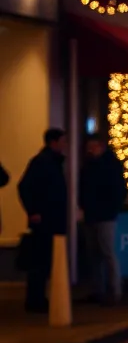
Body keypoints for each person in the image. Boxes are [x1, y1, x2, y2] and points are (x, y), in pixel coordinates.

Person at [17, 129, 69, 314]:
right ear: (52, 143)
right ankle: (35, 300)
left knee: (45, 261)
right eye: (62, 141)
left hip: (50, 218)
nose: (65, 145)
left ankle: (39, 298)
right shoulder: (43, 162)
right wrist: (34, 211)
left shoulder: (52, 162)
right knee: (40, 261)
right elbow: (24, 187)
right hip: (45, 220)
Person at [79, 135, 126, 304]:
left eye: (93, 146)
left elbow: (119, 189)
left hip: (106, 215)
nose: (90, 150)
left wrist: (112, 207)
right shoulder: (88, 166)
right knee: (95, 255)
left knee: (107, 252)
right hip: (92, 215)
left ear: (101, 146)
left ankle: (115, 291)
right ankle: (99, 290)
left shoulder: (110, 165)